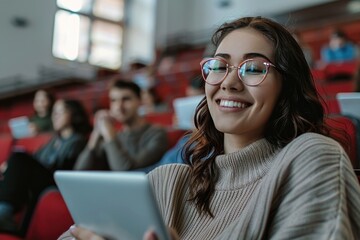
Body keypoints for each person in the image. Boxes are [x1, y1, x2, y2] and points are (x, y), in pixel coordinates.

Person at [60, 16, 360, 240]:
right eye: (219, 66)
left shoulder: (311, 158)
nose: (228, 82)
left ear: (287, 87)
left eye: (254, 68)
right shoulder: (167, 184)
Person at [0, 99, 91, 234]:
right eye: (54, 112)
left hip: (55, 180)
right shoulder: (54, 140)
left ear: (74, 114)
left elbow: (65, 168)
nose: (56, 116)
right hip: (43, 176)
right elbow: (35, 159)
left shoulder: (77, 141)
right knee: (16, 162)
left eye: (61, 111)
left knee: (19, 158)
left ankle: (4, 212)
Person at [74, 80, 169, 171]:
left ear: (140, 101)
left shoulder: (157, 134)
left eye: (126, 99)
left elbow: (126, 171)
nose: (119, 107)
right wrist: (96, 132)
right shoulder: (115, 135)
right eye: (113, 100)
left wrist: (109, 134)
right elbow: (79, 170)